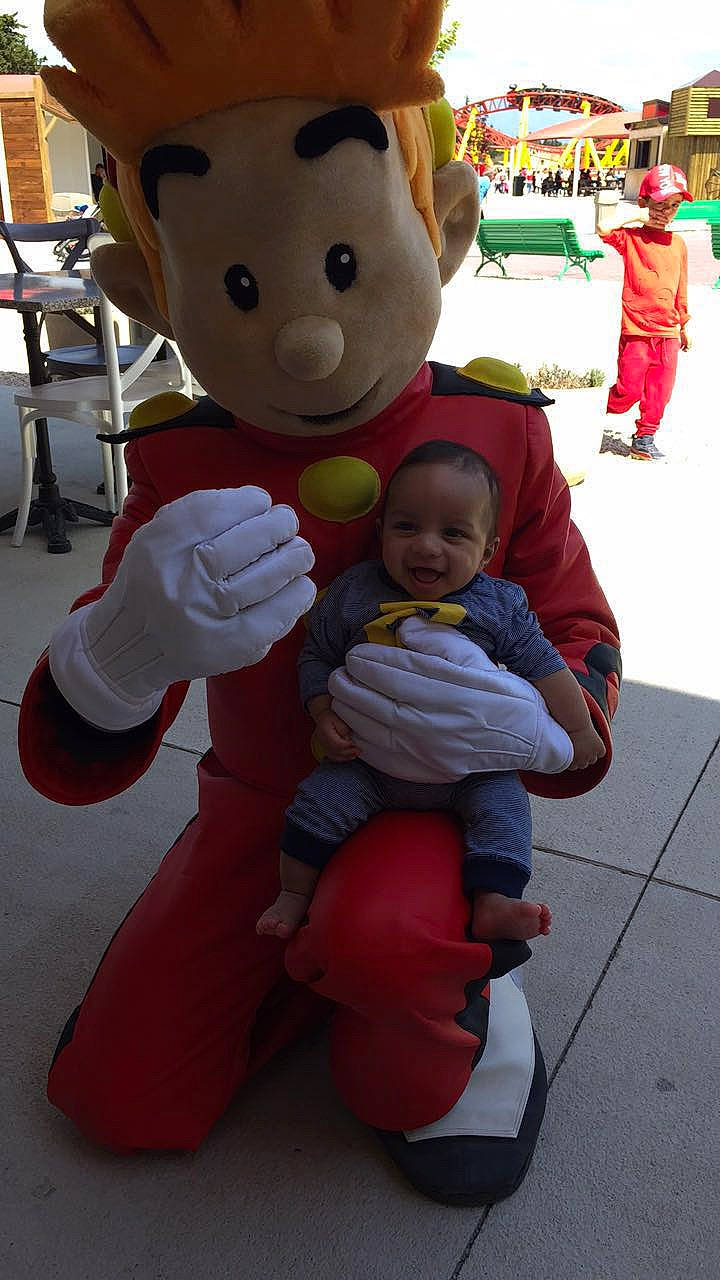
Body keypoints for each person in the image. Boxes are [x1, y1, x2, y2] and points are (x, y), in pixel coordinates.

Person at [25, 0, 621, 1208]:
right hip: (265, 808)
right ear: (150, 290)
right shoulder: (183, 461)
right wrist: (122, 652)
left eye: (344, 262)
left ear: (441, 225)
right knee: (117, 1097)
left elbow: (574, 618)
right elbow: (78, 747)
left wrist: (543, 719)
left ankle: (452, 964)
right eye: (238, 285)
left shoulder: (498, 429)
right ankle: (339, 957)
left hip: (439, 806)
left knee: (396, 1056)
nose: (304, 343)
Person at [257, 440, 605, 941]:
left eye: (453, 533)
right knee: (316, 805)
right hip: (368, 762)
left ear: (487, 552)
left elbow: (545, 667)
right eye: (406, 527)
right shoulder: (355, 593)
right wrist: (322, 711)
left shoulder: (499, 606)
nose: (426, 546)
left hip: (470, 767)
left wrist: (579, 729)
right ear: (380, 533)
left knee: (506, 811)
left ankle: (495, 900)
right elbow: (317, 655)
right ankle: (293, 893)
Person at [595, 163, 692, 461]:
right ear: (645, 201)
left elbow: (681, 288)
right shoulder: (632, 239)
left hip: (668, 332)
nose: (667, 212)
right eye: (660, 203)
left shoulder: (678, 244)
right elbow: (603, 227)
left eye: (674, 205)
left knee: (660, 391)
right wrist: (638, 215)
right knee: (628, 391)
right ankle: (591, 410)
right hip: (637, 330)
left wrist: (684, 325)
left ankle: (645, 437)